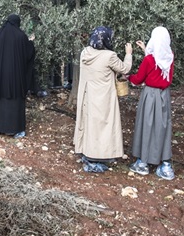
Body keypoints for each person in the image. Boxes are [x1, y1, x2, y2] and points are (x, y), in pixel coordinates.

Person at [74, 27, 133, 173]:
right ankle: (99, 156)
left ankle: (86, 152)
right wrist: (128, 54)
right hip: (103, 97)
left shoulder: (85, 53)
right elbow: (125, 69)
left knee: (89, 125)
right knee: (103, 127)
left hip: (88, 95)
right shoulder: (109, 56)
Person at [127, 26, 175, 180]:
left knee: (147, 125)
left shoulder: (149, 60)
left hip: (150, 95)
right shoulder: (169, 57)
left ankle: (143, 162)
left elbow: (139, 78)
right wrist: (146, 50)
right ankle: (165, 164)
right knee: (163, 126)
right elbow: (158, 63)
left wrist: (128, 77)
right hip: (164, 95)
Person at [0, 14, 35, 138]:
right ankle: (15, 129)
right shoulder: (21, 36)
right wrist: (31, 43)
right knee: (14, 102)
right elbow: (28, 55)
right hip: (15, 78)